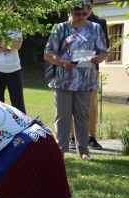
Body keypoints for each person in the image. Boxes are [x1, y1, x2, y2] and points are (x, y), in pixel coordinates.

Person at [44, 0, 108, 160]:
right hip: (64, 80)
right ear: (70, 13)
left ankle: (84, 151)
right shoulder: (60, 28)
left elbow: (104, 52)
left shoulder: (95, 28)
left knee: (82, 115)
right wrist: (62, 62)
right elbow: (48, 53)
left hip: (86, 80)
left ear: (89, 12)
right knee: (63, 116)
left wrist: (97, 59)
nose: (80, 17)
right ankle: (61, 150)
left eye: (84, 14)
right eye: (77, 14)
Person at [69, 0, 110, 150]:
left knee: (90, 105)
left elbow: (105, 45)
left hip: (92, 68)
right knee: (72, 102)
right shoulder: (71, 20)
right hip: (71, 69)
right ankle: (72, 137)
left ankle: (91, 137)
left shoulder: (100, 22)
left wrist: (85, 57)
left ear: (92, 5)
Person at [0, 29, 26, 113]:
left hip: (15, 69)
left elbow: (18, 45)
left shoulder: (16, 25)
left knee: (18, 106)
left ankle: (21, 126)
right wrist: (10, 45)